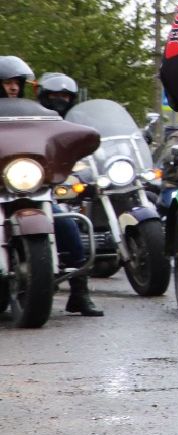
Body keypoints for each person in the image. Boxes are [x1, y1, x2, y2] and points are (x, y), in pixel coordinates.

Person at [0, 61, 101, 315]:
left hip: (28, 186)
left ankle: (79, 292)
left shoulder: (34, 113)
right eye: (7, 82)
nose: (12, 88)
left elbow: (53, 133)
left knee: (67, 225)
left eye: (16, 83)